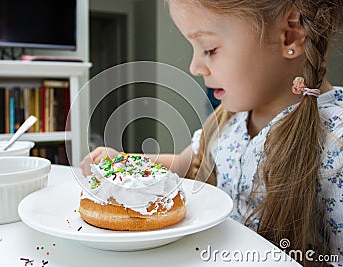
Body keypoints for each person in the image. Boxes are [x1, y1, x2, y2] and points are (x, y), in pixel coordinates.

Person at [80, 0, 343, 265]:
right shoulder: (229, 120)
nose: (194, 67)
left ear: (291, 35)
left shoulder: (336, 145)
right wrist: (125, 163)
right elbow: (188, 165)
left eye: (209, 49)